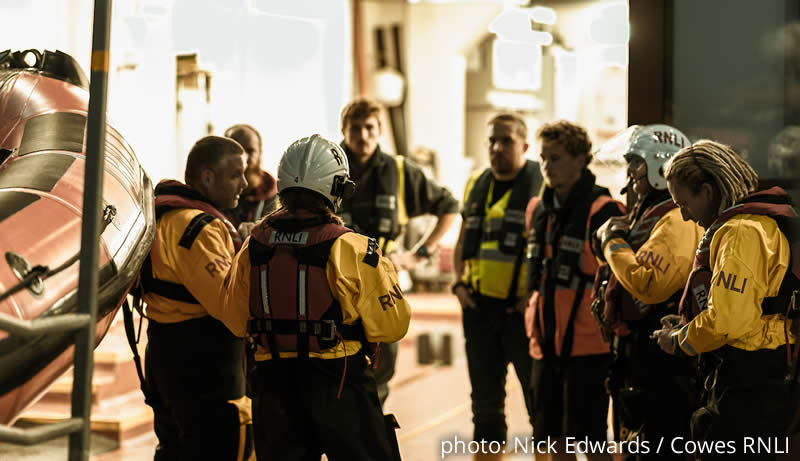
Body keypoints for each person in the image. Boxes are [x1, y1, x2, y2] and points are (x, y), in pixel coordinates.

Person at [209, 134, 411, 460]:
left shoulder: (253, 245)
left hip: (273, 389)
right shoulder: (354, 249)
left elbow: (234, 320)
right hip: (341, 385)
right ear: (337, 190)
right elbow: (393, 326)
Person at [654, 140, 799, 461]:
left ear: (707, 190)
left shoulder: (740, 232)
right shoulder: (757, 225)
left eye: (684, 203)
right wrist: (690, 324)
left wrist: (678, 340)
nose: (685, 216)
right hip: (763, 374)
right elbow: (745, 308)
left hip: (751, 381)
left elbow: (727, 321)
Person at [338, 98, 459, 405]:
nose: (363, 135)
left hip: (382, 286)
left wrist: (421, 253)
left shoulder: (400, 172)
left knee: (381, 369)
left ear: (380, 131)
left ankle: (375, 433)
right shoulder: (329, 171)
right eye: (355, 128)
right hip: (337, 287)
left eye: (370, 127)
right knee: (337, 367)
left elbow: (449, 206)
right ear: (344, 130)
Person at [592, 125, 703, 459]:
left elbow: (648, 283)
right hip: (638, 351)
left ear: (658, 166)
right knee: (633, 445)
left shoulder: (675, 219)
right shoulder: (649, 212)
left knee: (657, 445)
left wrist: (611, 241)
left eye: (636, 163)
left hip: (660, 355)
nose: (630, 173)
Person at [140, 136, 252, 461]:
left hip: (161, 354)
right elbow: (233, 313)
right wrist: (248, 253)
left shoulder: (160, 216)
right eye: (235, 175)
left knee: (172, 448)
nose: (244, 183)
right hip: (204, 370)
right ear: (207, 177)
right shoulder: (201, 229)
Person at [524, 120, 625, 460]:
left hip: (588, 346)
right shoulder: (537, 210)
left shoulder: (605, 211)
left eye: (556, 157)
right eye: (543, 158)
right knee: (551, 441)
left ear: (581, 159)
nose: (547, 166)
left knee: (591, 441)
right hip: (545, 343)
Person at [452, 113, 543, 459]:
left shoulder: (540, 185)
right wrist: (458, 284)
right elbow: (464, 239)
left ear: (524, 145)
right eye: (492, 140)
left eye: (505, 141)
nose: (496, 148)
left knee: (538, 401)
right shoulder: (477, 182)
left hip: (521, 314)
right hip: (477, 309)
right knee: (485, 406)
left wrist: (532, 297)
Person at [223, 124, 278, 232]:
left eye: (250, 151)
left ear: (260, 153)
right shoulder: (211, 196)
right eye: (237, 151)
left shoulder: (280, 199)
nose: (244, 158)